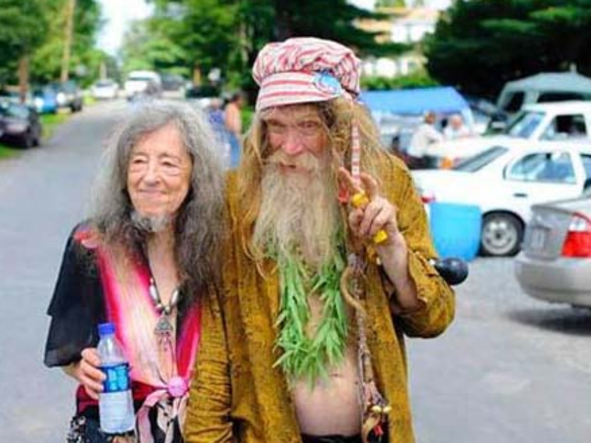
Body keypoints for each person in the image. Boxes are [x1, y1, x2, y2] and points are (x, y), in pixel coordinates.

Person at [185, 37, 456, 443]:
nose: (289, 147)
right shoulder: (235, 198)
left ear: (344, 128)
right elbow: (214, 339)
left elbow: (434, 318)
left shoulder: (388, 182)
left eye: (308, 126)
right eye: (276, 126)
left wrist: (393, 250)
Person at [44, 101, 224, 443]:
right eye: (138, 161)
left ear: (195, 174)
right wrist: (85, 368)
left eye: (168, 163)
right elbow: (68, 353)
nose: (150, 177)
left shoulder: (217, 245)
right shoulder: (91, 244)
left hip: (203, 428)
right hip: (115, 430)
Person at [223, 91, 245, 168]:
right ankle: (234, 172)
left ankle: (235, 170)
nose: (243, 102)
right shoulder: (230, 107)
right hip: (233, 134)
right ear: (238, 99)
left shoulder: (233, 107)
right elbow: (230, 122)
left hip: (234, 134)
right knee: (235, 154)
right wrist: (236, 133)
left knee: (236, 154)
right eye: (242, 100)